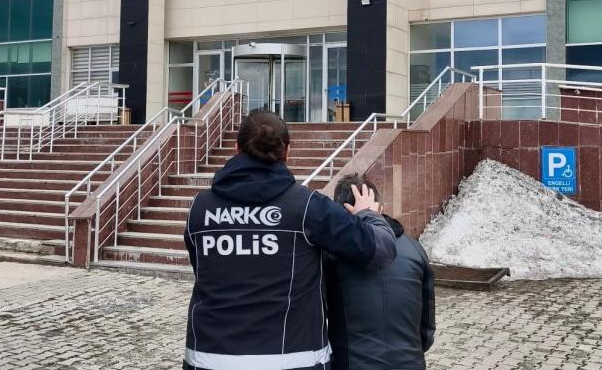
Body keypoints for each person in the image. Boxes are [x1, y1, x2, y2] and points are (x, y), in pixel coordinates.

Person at [183, 110, 397, 370]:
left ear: (236, 149)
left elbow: (204, 270)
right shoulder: (308, 207)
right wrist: (368, 214)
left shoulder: (200, 208)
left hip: (208, 359)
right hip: (291, 360)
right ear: (286, 152)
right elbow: (381, 249)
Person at [325, 174, 436, 370]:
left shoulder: (331, 253)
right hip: (409, 363)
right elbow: (426, 330)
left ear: (340, 211)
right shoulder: (415, 249)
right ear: (380, 208)